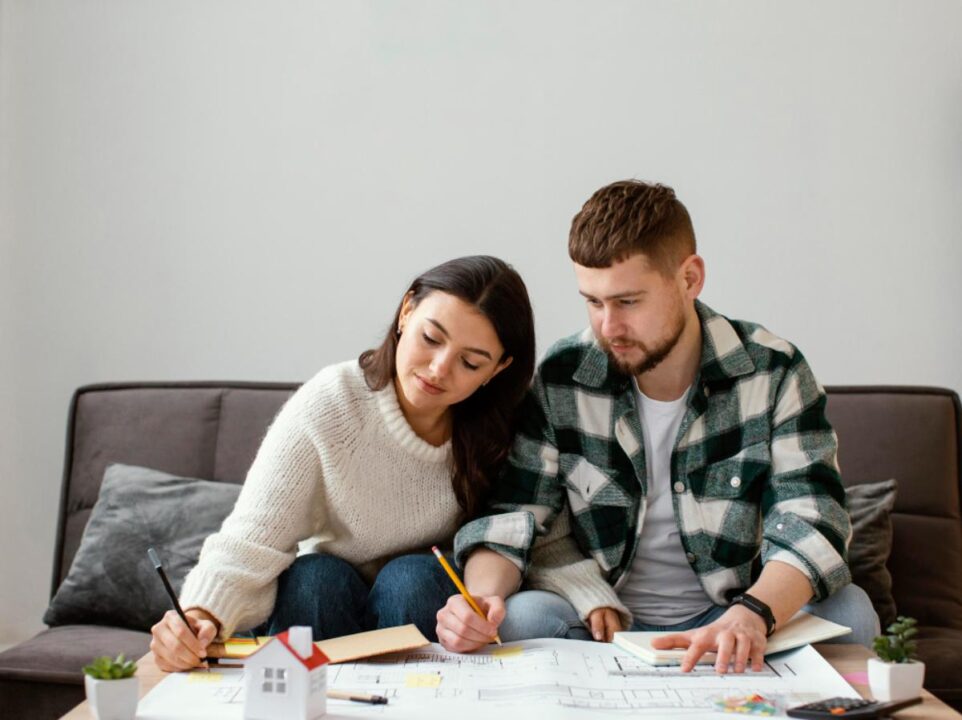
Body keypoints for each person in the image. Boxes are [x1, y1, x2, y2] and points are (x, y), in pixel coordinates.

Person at [437, 181, 878, 674]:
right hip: (605, 620)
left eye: (627, 302)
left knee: (852, 613)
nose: (608, 327)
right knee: (520, 618)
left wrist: (753, 613)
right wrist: (477, 603)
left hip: (734, 610)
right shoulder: (565, 374)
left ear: (690, 278)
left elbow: (813, 518)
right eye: (593, 302)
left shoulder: (773, 370)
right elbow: (517, 515)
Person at [150, 255, 535, 672]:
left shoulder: (505, 427)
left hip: (425, 597)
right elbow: (252, 537)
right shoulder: (332, 403)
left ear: (498, 369)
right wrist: (201, 616)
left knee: (410, 578)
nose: (438, 369)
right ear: (407, 311)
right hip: (325, 595)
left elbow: (535, 528)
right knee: (314, 577)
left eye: (470, 362)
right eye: (431, 338)